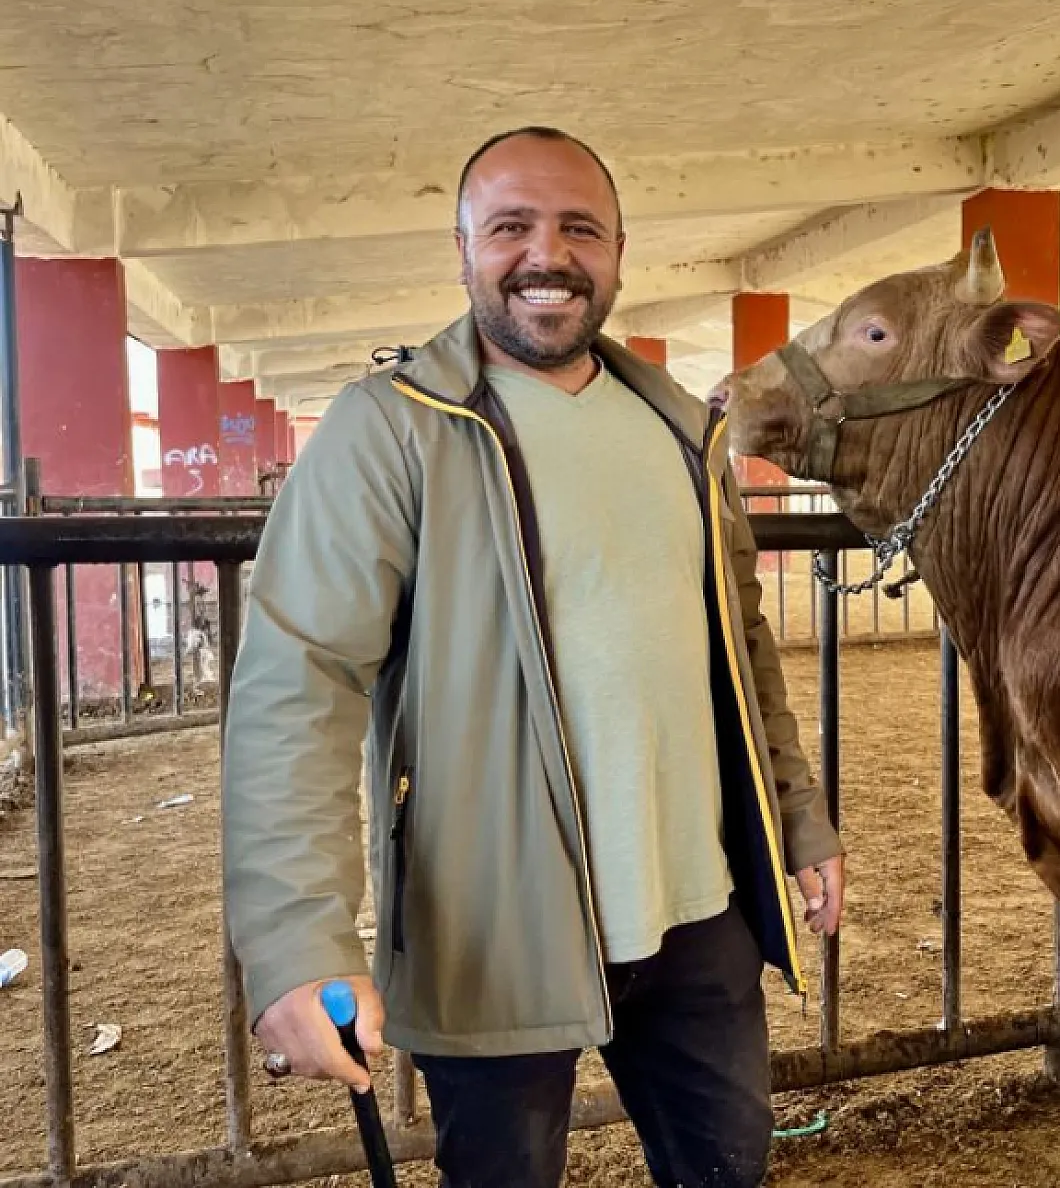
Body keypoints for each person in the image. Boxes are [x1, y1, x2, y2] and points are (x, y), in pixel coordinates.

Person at [222, 125, 846, 1188]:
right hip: (493, 925)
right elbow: (301, 682)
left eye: (578, 228)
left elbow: (740, 646)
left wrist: (795, 816)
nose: (545, 254)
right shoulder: (393, 432)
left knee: (728, 1171)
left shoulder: (675, 430)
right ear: (461, 245)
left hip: (698, 911)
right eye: (510, 226)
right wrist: (293, 935)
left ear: (616, 251)